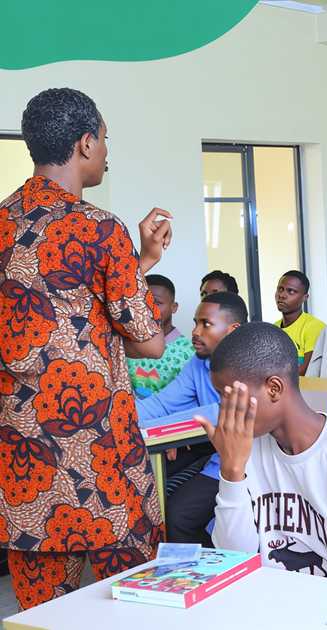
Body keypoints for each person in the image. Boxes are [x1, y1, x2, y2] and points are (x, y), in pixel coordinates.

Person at [0, 88, 172, 609]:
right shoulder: (100, 229)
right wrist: (134, 262)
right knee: (139, 606)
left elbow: (55, 305)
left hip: (24, 468)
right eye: (104, 140)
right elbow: (148, 342)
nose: (105, 151)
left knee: (46, 615)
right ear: (84, 143)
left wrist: (137, 264)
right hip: (101, 465)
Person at [202, 323, 327, 587]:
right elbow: (234, 561)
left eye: (230, 398)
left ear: (273, 388)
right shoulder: (246, 448)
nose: (224, 412)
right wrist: (231, 471)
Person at [137, 292, 248, 545]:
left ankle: (212, 574)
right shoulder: (198, 364)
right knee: (151, 490)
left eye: (205, 324)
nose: (196, 331)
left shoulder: (248, 364)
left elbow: (217, 414)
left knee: (179, 515)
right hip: (211, 451)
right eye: (196, 323)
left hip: (240, 459)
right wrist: (116, 415)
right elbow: (162, 404)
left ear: (233, 330)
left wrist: (150, 430)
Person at [127, 274, 193, 398]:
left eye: (157, 302)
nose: (148, 308)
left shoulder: (188, 352)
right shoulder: (127, 343)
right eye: (143, 301)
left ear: (174, 307)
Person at [274, 270, 325, 373]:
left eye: (291, 291)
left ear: (305, 298)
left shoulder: (314, 327)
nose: (282, 295)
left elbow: (306, 370)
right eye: (280, 289)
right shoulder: (274, 328)